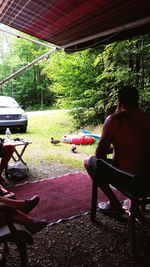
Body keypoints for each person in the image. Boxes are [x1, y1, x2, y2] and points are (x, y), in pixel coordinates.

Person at [84, 85, 150, 215]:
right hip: (147, 178)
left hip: (127, 179)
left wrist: (113, 149)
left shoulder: (114, 120)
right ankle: (133, 204)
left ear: (119, 100)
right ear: (137, 100)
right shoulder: (147, 118)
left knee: (88, 161)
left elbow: (99, 154)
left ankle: (114, 204)